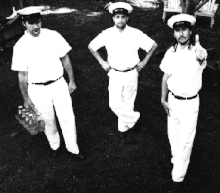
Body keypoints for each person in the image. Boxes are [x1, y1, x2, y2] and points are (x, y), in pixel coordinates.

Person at [11, 6, 84, 160]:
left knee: (67, 117)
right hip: (37, 90)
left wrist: (71, 80)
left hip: (58, 84)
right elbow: (22, 75)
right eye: (31, 23)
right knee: (47, 119)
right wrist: (25, 98)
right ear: (24, 23)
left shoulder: (53, 36)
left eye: (38, 22)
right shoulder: (20, 46)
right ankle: (55, 145)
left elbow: (65, 58)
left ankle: (73, 148)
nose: (36, 26)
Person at [88, 2, 158, 139]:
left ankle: (123, 129)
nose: (120, 20)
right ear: (113, 18)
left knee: (128, 102)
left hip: (132, 72)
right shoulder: (107, 34)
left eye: (123, 17)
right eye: (117, 17)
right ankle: (134, 118)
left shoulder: (135, 33)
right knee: (114, 103)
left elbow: (153, 45)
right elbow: (91, 46)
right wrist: (102, 62)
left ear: (127, 18)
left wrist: (144, 62)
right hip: (114, 73)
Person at [160, 14, 207, 193]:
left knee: (186, 140)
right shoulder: (170, 53)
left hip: (190, 103)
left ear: (190, 31)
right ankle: (177, 160)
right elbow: (165, 76)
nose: (182, 34)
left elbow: (201, 60)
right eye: (178, 30)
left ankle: (177, 177)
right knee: (174, 135)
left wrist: (202, 56)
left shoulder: (196, 52)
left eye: (184, 30)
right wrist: (163, 99)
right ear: (174, 33)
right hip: (173, 101)